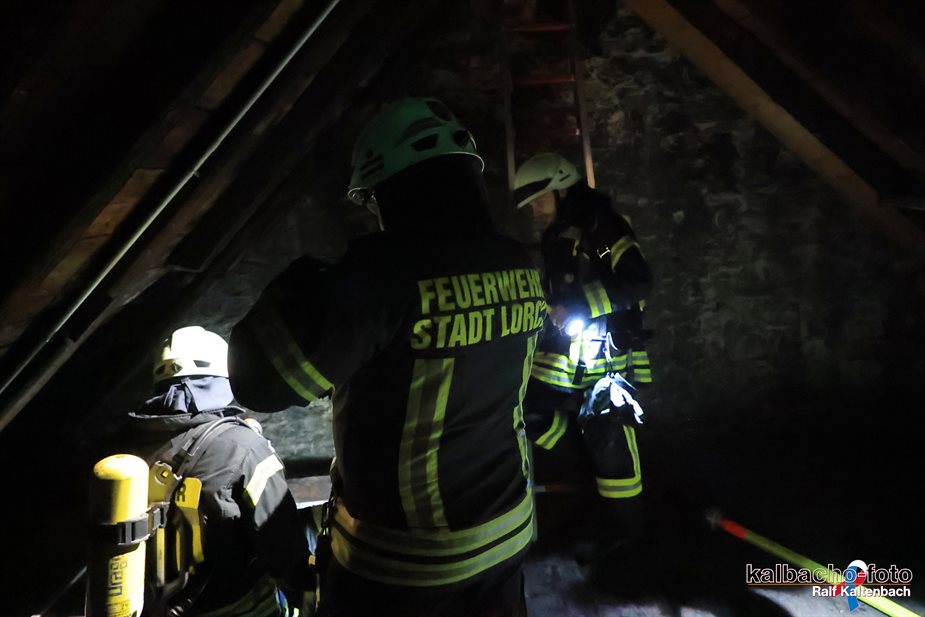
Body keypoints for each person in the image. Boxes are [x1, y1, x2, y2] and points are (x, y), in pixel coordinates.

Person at [228, 97, 544, 617]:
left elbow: (259, 382)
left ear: (391, 190)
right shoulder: (518, 262)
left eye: (375, 200)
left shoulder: (380, 274)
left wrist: (309, 279)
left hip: (406, 563)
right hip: (509, 531)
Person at [513, 152, 653, 556]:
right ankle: (584, 467)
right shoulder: (561, 233)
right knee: (524, 408)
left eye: (540, 201)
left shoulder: (603, 226)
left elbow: (638, 282)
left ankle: (628, 537)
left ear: (561, 190)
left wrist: (578, 306)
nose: (536, 212)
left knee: (611, 442)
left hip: (605, 356)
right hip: (565, 354)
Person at [125, 325, 310, 616]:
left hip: (151, 606)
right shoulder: (243, 447)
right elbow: (283, 543)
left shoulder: (126, 446)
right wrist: (307, 589)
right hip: (237, 607)